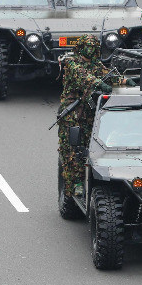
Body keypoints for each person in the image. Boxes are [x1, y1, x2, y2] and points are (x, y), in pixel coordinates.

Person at [57, 35, 117, 197]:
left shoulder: (95, 64)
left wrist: (124, 80)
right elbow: (83, 77)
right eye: (88, 46)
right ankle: (75, 185)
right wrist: (99, 83)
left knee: (94, 149)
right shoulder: (72, 63)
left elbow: (108, 74)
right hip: (72, 116)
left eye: (94, 46)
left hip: (91, 114)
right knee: (72, 152)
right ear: (81, 47)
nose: (91, 49)